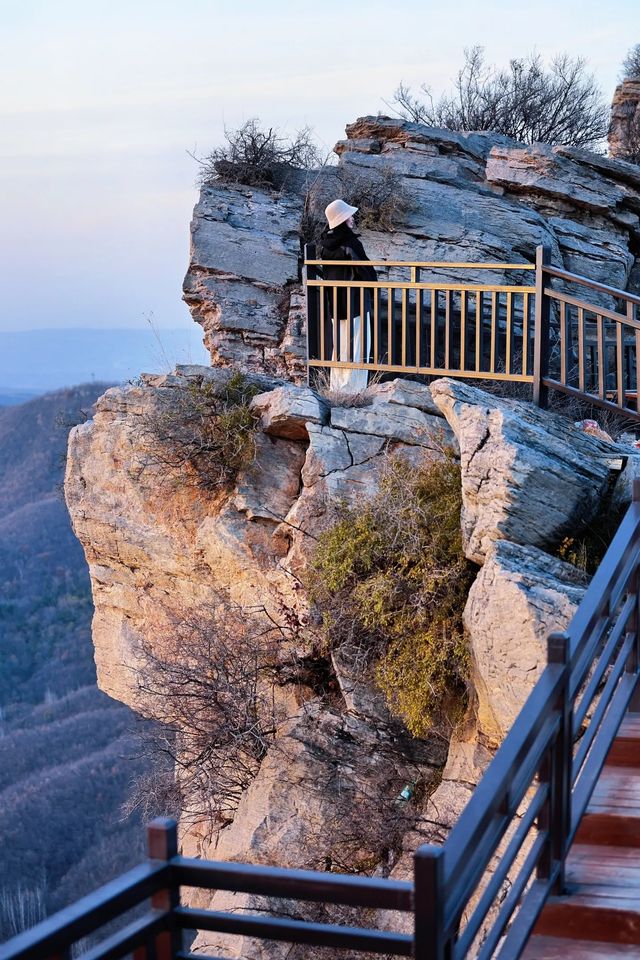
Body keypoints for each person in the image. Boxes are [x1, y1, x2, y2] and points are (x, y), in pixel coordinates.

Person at [319, 199, 377, 391]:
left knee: (340, 347)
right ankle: (354, 390)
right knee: (358, 346)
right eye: (349, 216)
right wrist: (373, 289)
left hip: (335, 303)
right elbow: (365, 271)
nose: (352, 219)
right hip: (356, 303)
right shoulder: (351, 243)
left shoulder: (325, 246)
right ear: (343, 219)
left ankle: (337, 388)